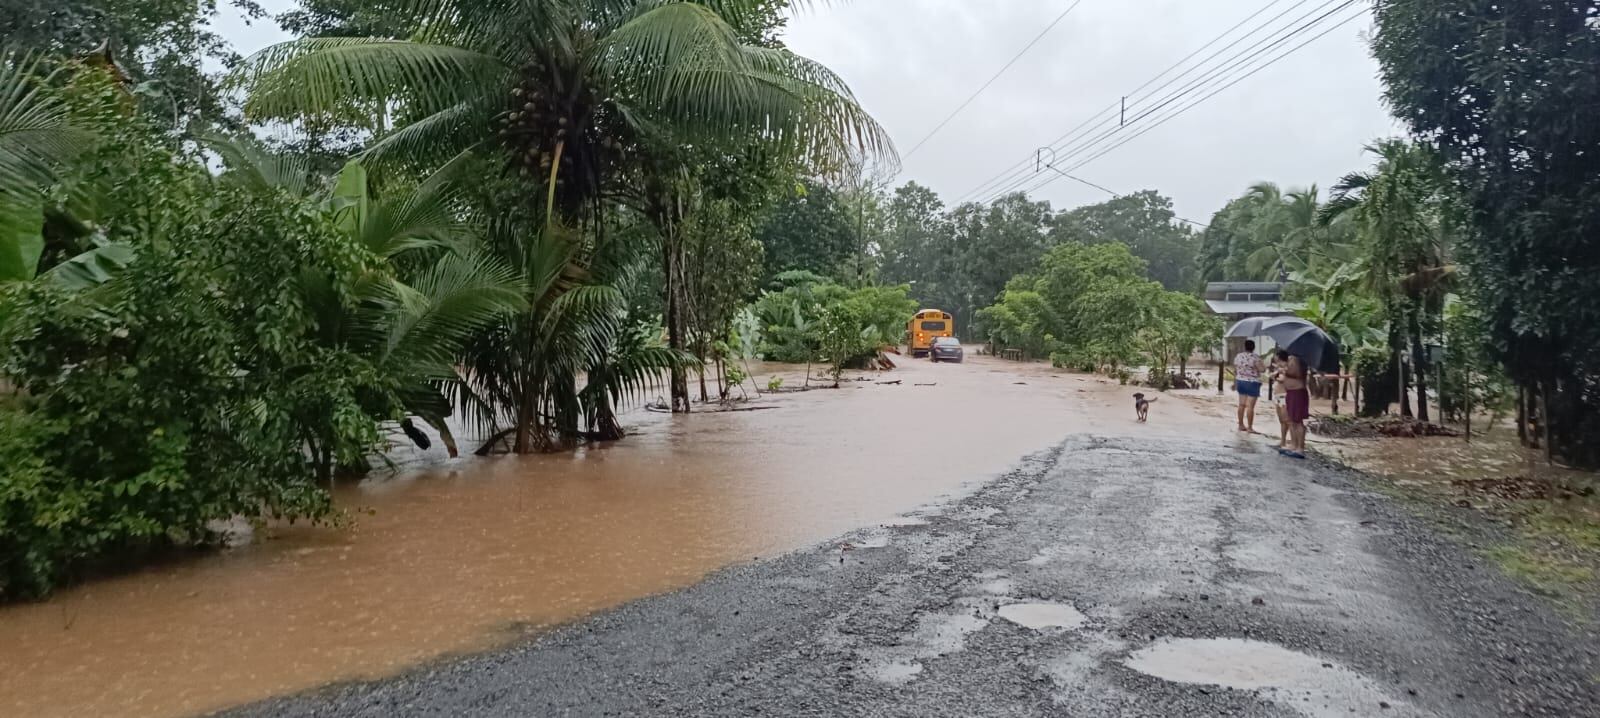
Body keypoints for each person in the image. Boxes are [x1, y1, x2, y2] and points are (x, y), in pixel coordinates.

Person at [1281, 353, 1310, 458]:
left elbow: (1296, 373)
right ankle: (1294, 445)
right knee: (1292, 420)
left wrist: (1284, 370)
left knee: (1297, 421)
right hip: (1292, 392)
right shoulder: (1293, 358)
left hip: (1297, 392)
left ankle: (1300, 448)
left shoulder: (1297, 359)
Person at [1233, 340, 1263, 433]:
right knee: (1250, 406)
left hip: (1241, 381)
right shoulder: (1255, 357)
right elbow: (1262, 369)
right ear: (1253, 347)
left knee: (1241, 404)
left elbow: (1235, 369)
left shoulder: (1239, 356)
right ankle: (1250, 427)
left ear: (1244, 347)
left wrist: (1235, 382)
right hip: (1252, 383)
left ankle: (1241, 425)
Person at [1269, 350, 1291, 449]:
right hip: (1278, 395)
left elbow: (1283, 380)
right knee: (1281, 420)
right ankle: (1283, 441)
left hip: (1284, 395)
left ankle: (1293, 442)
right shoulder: (1279, 368)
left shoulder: (1288, 368)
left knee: (1287, 420)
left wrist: (1276, 376)